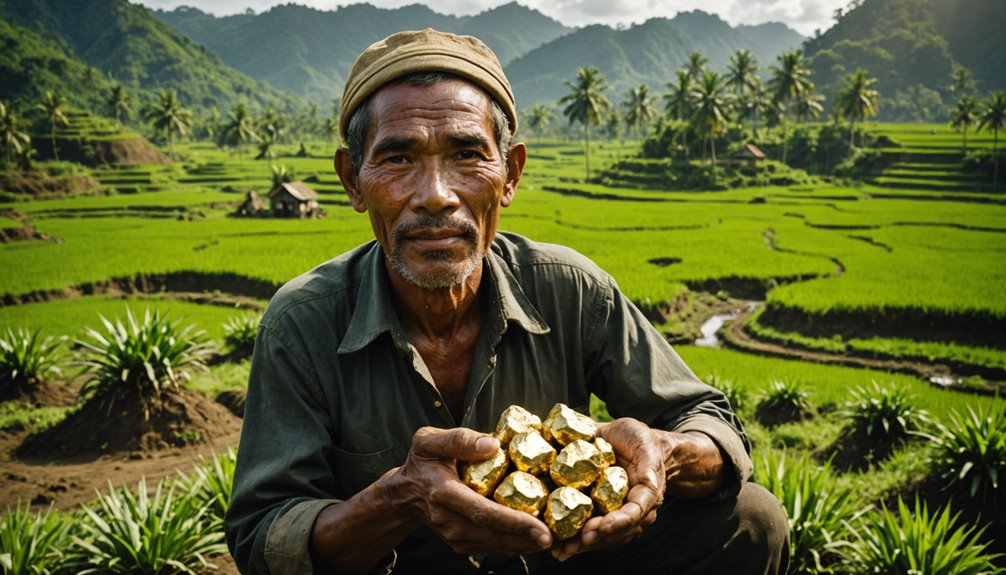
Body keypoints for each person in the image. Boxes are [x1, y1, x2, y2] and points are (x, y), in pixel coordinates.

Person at [225, 28, 789, 575]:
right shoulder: (303, 322)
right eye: (398, 160)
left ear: (510, 173)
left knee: (752, 520)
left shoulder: (570, 288)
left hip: (557, 560)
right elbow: (264, 534)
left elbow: (710, 423)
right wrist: (400, 500)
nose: (436, 196)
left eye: (467, 154)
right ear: (353, 180)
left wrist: (664, 452)